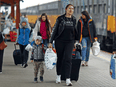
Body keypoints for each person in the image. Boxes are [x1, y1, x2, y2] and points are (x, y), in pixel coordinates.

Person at [49, 4, 77, 86]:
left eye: (72, 8)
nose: (71, 10)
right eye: (69, 8)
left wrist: (76, 41)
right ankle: (58, 76)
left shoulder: (74, 19)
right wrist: (50, 41)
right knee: (60, 58)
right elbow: (54, 30)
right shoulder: (60, 19)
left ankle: (68, 79)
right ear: (66, 9)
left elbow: (75, 31)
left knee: (68, 59)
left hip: (70, 42)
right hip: (60, 41)